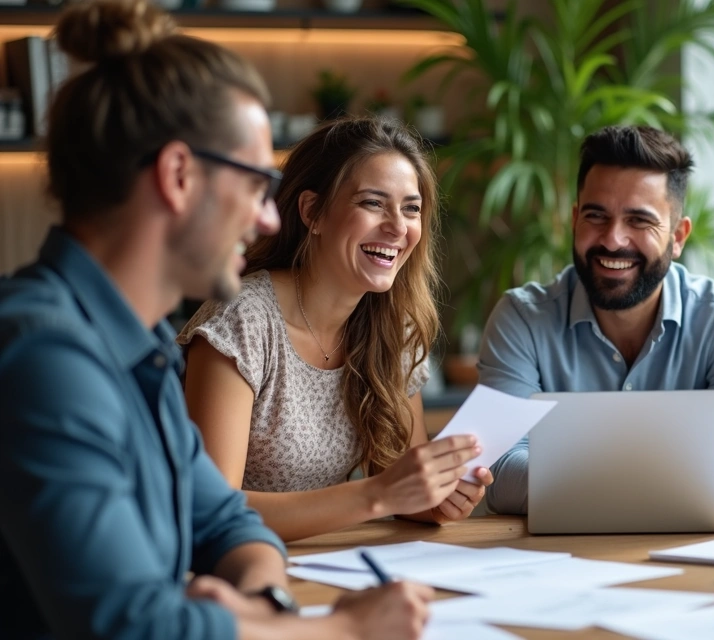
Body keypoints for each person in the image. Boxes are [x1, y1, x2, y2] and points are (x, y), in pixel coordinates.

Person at [0, 2, 432, 638]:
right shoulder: (42, 356)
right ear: (178, 176)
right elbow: (130, 624)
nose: (268, 218)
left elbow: (225, 522)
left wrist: (261, 602)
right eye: (256, 184)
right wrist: (343, 629)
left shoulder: (139, 345)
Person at [178, 117, 492, 543]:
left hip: (328, 562)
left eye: (411, 208)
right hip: (228, 565)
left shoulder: (390, 326)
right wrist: (377, 495)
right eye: (373, 203)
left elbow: (400, 484)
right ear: (312, 212)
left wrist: (437, 497)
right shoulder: (243, 319)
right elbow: (210, 508)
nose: (398, 227)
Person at [479, 125, 714, 515]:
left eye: (639, 220)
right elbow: (499, 472)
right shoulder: (521, 319)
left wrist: (576, 482)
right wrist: (678, 480)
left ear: (678, 236)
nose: (612, 239)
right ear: (575, 219)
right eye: (596, 216)